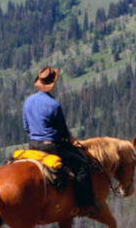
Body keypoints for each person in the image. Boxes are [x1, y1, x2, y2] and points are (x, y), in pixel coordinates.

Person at [22, 66, 96, 208]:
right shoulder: (54, 105)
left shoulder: (28, 102)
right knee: (83, 165)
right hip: (52, 147)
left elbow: (26, 127)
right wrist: (71, 139)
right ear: (53, 84)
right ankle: (83, 205)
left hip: (33, 145)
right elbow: (62, 132)